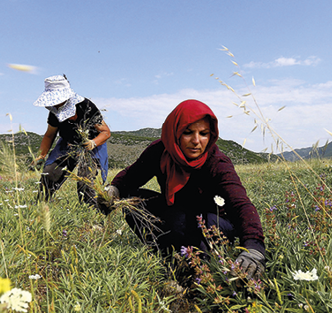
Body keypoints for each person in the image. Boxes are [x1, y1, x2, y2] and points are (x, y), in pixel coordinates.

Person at [103, 99, 266, 278]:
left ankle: (194, 264)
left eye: (204, 133)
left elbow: (240, 203)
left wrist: (253, 246)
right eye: (188, 133)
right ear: (175, 133)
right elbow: (130, 177)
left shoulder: (217, 163)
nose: (196, 141)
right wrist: (114, 190)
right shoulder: (160, 151)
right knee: (132, 200)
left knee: (200, 227)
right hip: (178, 214)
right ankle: (162, 252)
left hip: (212, 222)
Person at [32, 74, 110, 205]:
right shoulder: (54, 111)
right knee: (49, 174)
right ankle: (41, 206)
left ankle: (90, 212)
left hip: (92, 145)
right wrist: (41, 156)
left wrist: (93, 142)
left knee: (85, 180)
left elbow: (105, 132)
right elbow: (49, 135)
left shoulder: (86, 106)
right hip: (68, 144)